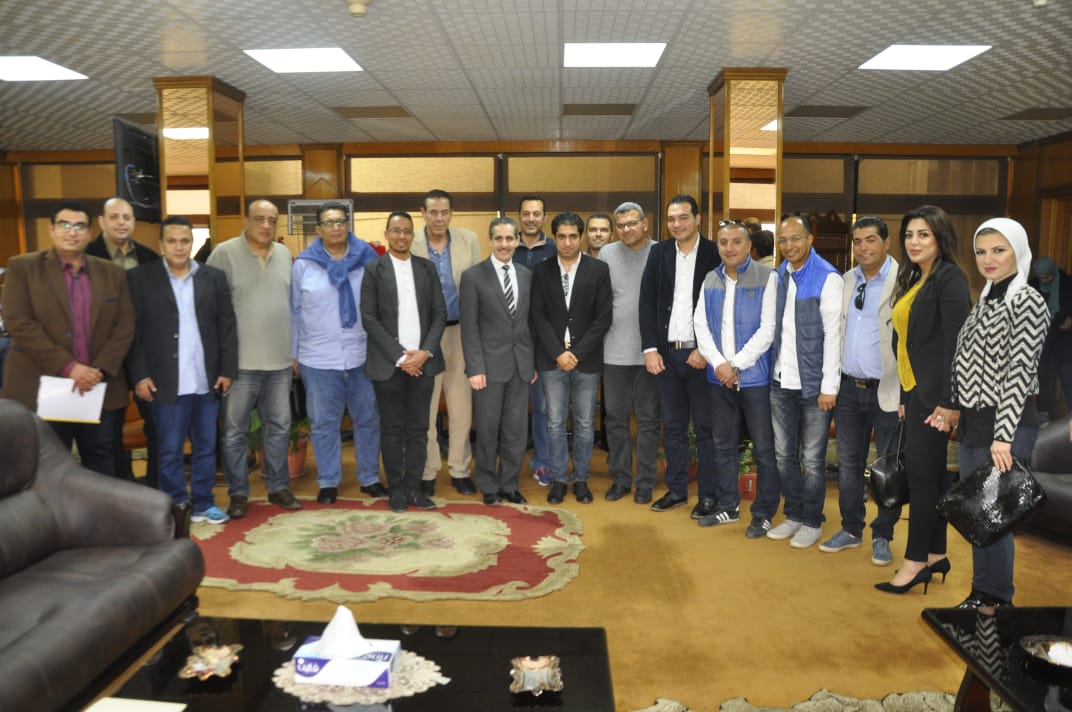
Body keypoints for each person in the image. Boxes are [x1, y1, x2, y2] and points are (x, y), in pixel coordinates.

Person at [950, 218, 1049, 609]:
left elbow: (1019, 372)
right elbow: (967, 360)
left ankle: (997, 597)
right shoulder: (988, 297)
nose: (987, 259)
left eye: (998, 250)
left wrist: (1004, 435)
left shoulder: (1027, 301)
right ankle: (981, 592)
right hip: (975, 422)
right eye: (980, 251)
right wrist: (955, 408)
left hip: (1006, 424)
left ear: (1017, 252)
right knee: (979, 515)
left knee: (997, 517)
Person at [1, 200, 134, 476]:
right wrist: (71, 368)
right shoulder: (24, 268)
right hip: (43, 386)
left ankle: (97, 507)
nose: (72, 232)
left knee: (102, 463)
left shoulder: (112, 273)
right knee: (47, 465)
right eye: (65, 225)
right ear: (51, 229)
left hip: (99, 386)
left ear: (89, 232)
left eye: (79, 226)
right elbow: (19, 323)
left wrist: (97, 370)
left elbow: (125, 326)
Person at [877, 205, 970, 595]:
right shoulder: (917, 276)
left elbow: (956, 346)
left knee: (920, 476)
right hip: (917, 393)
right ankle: (935, 554)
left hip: (937, 398)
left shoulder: (950, 279)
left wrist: (950, 402)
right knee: (931, 475)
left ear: (940, 238)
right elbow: (906, 344)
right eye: (910, 235)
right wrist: (904, 393)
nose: (914, 242)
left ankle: (914, 562)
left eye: (923, 235)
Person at [126, 215, 237, 523]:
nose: (179, 247)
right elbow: (132, 332)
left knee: (206, 448)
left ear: (192, 243)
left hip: (206, 379)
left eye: (185, 241)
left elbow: (227, 326)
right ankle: (177, 505)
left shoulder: (213, 277)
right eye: (172, 241)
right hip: (163, 381)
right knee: (170, 449)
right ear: (161, 244)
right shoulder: (140, 278)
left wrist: (227, 369)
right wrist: (139, 375)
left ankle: (203, 502)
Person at [208, 199, 303, 517]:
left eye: (272, 220)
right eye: (259, 219)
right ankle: (238, 494)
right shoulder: (224, 253)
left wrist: (294, 352)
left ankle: (278, 487)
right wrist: (220, 361)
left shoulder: (284, 255)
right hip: (239, 365)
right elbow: (209, 308)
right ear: (246, 221)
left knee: (278, 428)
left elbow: (293, 307)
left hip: (279, 362)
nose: (266, 225)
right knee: (234, 433)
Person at [291, 201, 385, 505]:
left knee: (367, 420)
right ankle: (329, 480)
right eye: (329, 223)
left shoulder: (368, 259)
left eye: (341, 222)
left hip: (362, 355)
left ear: (349, 225)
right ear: (318, 229)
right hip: (317, 358)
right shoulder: (303, 265)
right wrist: (294, 353)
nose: (336, 228)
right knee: (323, 424)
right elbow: (293, 310)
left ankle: (369, 477)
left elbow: (382, 306)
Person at [820, 217, 902, 564]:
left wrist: (908, 395)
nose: (863, 247)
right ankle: (851, 528)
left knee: (887, 467)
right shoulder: (846, 280)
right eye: (857, 241)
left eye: (870, 240)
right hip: (849, 390)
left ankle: (883, 534)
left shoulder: (904, 280)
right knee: (849, 465)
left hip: (889, 390)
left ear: (886, 242)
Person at [693, 221, 779, 532]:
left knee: (764, 449)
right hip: (719, 378)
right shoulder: (710, 279)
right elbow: (701, 326)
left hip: (755, 379)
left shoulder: (767, 277)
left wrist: (736, 365)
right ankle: (728, 505)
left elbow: (768, 330)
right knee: (723, 445)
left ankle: (764, 512)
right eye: (723, 242)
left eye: (736, 242)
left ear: (749, 246)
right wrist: (719, 364)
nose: (729, 248)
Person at [639, 194, 721, 515]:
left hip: (701, 356)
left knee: (705, 429)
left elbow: (722, 307)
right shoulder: (658, 253)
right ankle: (676, 490)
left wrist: (706, 349)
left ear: (697, 219)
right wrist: (650, 349)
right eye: (671, 219)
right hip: (666, 356)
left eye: (683, 217)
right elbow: (647, 302)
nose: (677, 224)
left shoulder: (715, 253)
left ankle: (708, 495)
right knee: (672, 427)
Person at [360, 211, 446, 513]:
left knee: (420, 429)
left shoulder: (426, 268)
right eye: (396, 230)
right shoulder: (373, 269)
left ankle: (414, 488)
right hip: (389, 365)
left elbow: (439, 314)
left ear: (413, 235)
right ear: (386, 234)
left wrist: (425, 352)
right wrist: (400, 356)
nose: (401, 236)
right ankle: (396, 489)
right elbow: (369, 318)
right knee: (393, 430)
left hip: (424, 363)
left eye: (407, 231)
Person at [765, 214, 843, 549]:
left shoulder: (828, 277)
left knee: (812, 459)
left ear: (810, 239)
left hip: (814, 386)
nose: (788, 246)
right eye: (783, 240)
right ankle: (794, 514)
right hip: (780, 381)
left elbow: (834, 336)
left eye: (795, 238)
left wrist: (829, 386)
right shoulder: (779, 274)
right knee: (784, 455)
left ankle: (812, 520)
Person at [531, 212, 613, 505]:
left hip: (586, 361)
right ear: (554, 238)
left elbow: (603, 318)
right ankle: (558, 480)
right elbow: (537, 316)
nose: (567, 242)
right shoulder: (541, 270)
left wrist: (575, 354)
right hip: (552, 360)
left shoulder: (598, 270)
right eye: (562, 237)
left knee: (584, 424)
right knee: (554, 423)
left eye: (573, 236)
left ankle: (580, 479)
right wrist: (558, 353)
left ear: (582, 237)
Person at [459, 217, 535, 505]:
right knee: (488, 430)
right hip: (488, 369)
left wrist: (532, 363)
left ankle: (509, 484)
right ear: (490, 241)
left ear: (517, 241)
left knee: (516, 431)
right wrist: (475, 368)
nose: (505, 244)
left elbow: (530, 324)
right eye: (499, 239)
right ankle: (488, 483)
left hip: (521, 366)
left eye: (510, 238)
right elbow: (469, 327)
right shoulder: (473, 277)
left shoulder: (527, 275)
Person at [410, 189, 480, 496]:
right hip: (424, 336)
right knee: (425, 405)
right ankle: (427, 470)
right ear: (423, 213)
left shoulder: (468, 240)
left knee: (461, 405)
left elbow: (476, 287)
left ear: (451, 213)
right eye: (433, 212)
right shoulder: (409, 240)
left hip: (460, 332)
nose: (439, 218)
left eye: (445, 212)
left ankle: (460, 469)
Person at [86, 197, 160, 485]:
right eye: (114, 217)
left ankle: (154, 491)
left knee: (158, 429)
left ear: (133, 223)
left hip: (146, 356)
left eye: (126, 217)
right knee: (105, 436)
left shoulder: (150, 258)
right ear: (101, 222)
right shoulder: (86, 257)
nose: (121, 223)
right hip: (104, 358)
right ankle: (119, 490)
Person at [599, 202, 660, 503]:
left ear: (645, 223)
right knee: (615, 419)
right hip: (614, 353)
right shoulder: (607, 253)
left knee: (649, 421)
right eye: (620, 225)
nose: (626, 230)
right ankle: (621, 478)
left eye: (632, 223)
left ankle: (646, 481)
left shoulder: (661, 252)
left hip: (652, 354)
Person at [514, 195, 557, 486]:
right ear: (519, 216)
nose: (531, 218)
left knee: (543, 407)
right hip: (512, 341)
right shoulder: (507, 245)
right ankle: (511, 463)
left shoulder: (555, 249)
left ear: (544, 216)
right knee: (513, 408)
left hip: (544, 341)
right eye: (526, 213)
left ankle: (543, 461)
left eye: (537, 213)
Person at [1029, 256, 1072, 424]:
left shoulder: (1067, 282)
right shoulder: (1033, 285)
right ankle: (1043, 412)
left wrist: (1070, 318)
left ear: (1053, 271)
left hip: (1063, 333)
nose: (1044, 280)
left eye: (1046, 277)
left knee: (1067, 371)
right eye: (1041, 278)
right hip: (1042, 333)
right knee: (1041, 372)